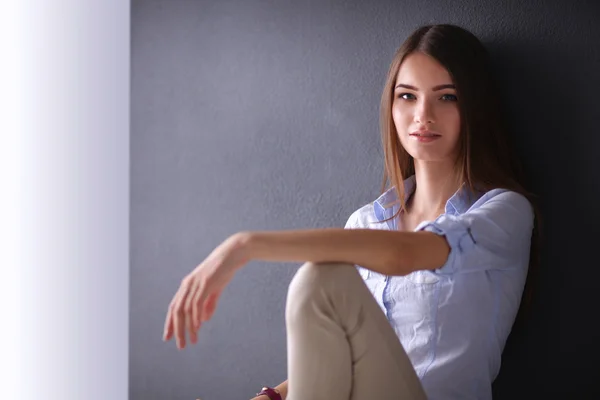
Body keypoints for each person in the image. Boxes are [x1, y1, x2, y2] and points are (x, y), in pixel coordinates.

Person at [162, 23, 540, 400]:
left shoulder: (503, 213)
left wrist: (244, 245)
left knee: (319, 282)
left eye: (446, 97)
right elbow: (340, 364)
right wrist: (270, 397)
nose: (422, 115)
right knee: (321, 284)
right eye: (407, 96)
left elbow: (404, 254)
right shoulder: (367, 222)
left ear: (475, 107)